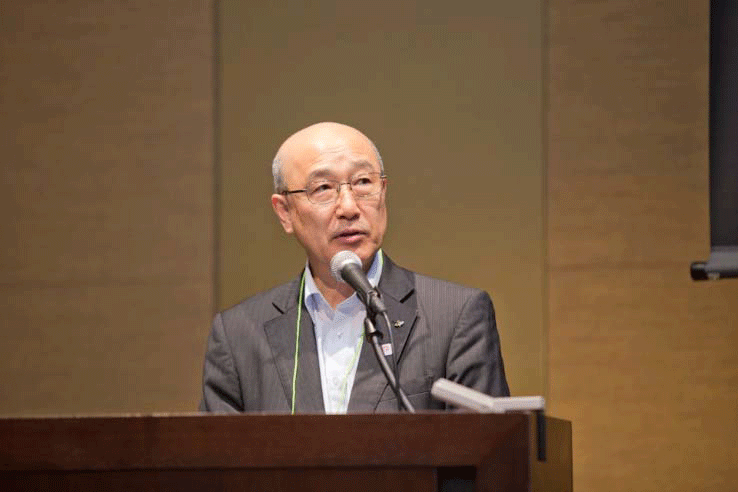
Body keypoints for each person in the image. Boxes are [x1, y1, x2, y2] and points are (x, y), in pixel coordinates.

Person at [200, 122, 509, 413]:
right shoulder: (239, 335)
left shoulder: (454, 316)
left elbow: (485, 446)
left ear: (383, 191)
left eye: (363, 182)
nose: (349, 207)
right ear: (285, 212)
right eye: (323, 188)